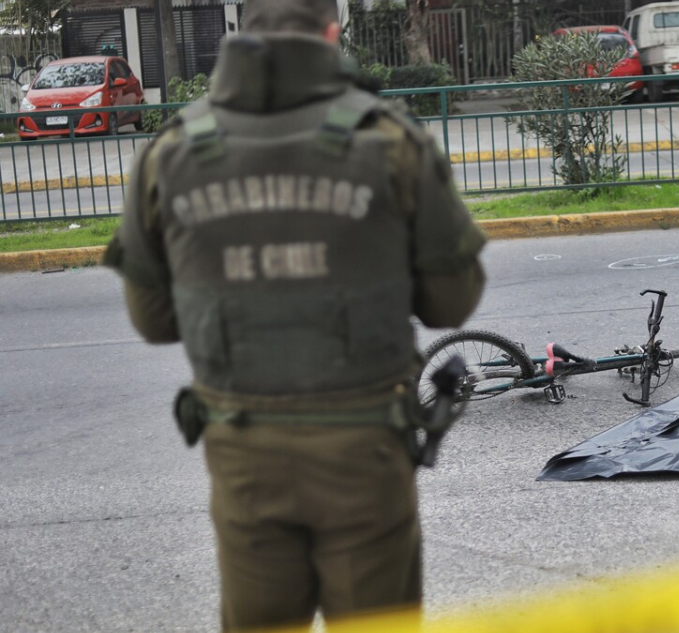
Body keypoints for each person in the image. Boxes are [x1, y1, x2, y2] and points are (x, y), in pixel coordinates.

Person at [103, 0, 486, 629]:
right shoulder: (389, 139)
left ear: (240, 34)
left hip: (244, 452)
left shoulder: (169, 153)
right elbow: (453, 301)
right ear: (331, 35)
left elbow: (152, 319)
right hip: (366, 450)